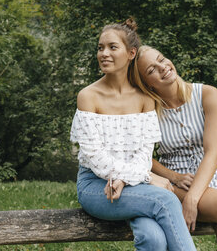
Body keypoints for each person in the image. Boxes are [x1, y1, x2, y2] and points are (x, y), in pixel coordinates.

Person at [131, 45, 217, 250]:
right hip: (179, 181)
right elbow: (141, 157)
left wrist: (193, 199)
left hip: (216, 172)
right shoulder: (149, 109)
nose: (162, 67)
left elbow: (213, 152)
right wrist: (174, 177)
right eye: (152, 70)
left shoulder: (207, 94)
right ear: (146, 84)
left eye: (161, 59)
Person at [70, 19, 196, 251]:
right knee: (166, 199)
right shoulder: (88, 96)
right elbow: (96, 158)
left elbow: (143, 155)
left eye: (112, 47)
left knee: (153, 239)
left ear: (131, 53)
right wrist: (148, 178)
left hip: (132, 184)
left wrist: (126, 179)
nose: (104, 53)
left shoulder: (144, 99)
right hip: (96, 186)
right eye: (100, 48)